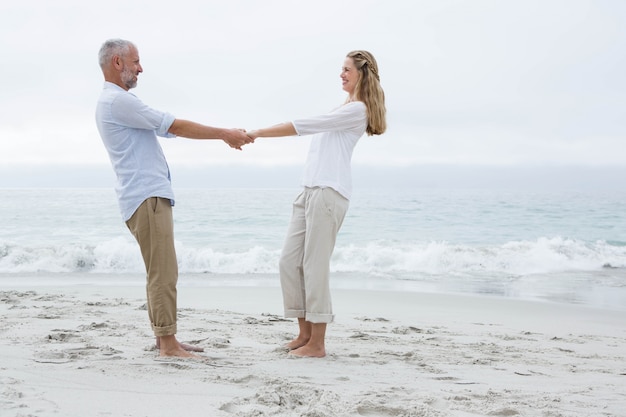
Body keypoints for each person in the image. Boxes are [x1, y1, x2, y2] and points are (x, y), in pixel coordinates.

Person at [95, 39, 251, 358]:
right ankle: (167, 343)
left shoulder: (119, 102)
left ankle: (164, 337)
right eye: (135, 61)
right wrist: (225, 133)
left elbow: (169, 130)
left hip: (143, 195)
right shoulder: (118, 102)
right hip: (146, 196)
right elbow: (174, 124)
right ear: (116, 62)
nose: (140, 68)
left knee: (160, 269)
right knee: (164, 271)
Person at [246, 50, 386, 358]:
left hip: (329, 192)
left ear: (361, 73)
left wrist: (257, 132)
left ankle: (318, 344)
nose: (341, 74)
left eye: (347, 69)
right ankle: (304, 334)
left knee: (314, 266)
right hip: (309, 190)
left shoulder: (357, 110)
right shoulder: (345, 107)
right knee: (289, 261)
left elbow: (304, 125)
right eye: (342, 69)